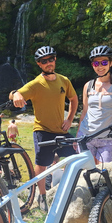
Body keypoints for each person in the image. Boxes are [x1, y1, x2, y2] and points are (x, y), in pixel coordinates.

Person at [10, 46, 78, 211]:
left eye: (50, 59)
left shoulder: (64, 80)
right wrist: (15, 94)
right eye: (43, 61)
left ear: (55, 59)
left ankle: (69, 190)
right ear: (39, 65)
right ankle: (42, 195)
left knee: (75, 160)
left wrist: (69, 119)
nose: (48, 63)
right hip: (42, 131)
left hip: (61, 131)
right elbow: (14, 94)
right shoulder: (35, 84)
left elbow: (74, 99)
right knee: (41, 165)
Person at [76, 45, 112, 164]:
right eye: (96, 64)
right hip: (86, 137)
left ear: (111, 63)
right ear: (92, 65)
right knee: (84, 174)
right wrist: (77, 137)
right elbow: (84, 112)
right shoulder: (88, 86)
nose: (100, 66)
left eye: (104, 62)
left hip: (109, 139)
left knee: (105, 175)